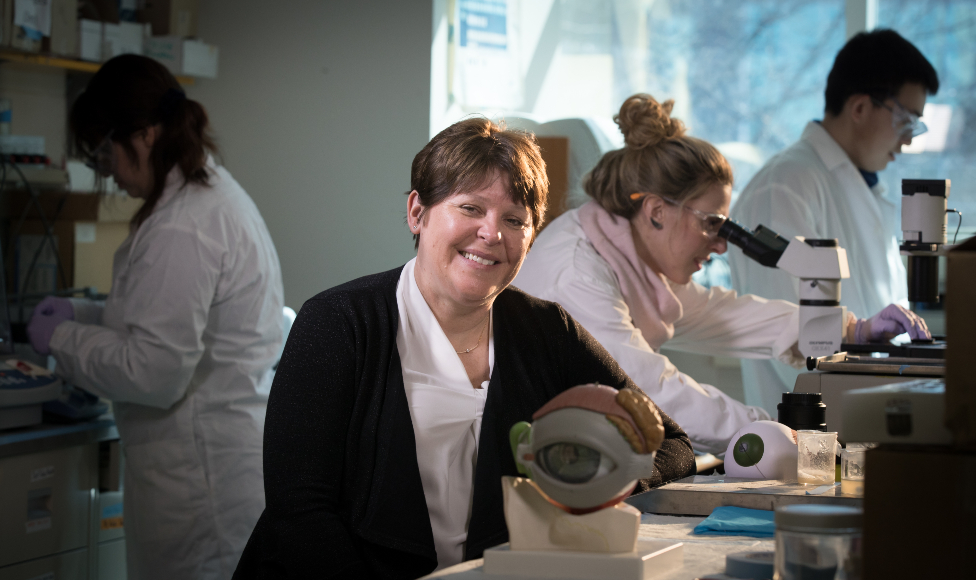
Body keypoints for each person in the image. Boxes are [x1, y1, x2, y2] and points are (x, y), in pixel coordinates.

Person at [233, 118, 695, 579]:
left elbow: (673, 446)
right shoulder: (338, 323)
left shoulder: (545, 329)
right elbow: (300, 511)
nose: (492, 233)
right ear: (417, 212)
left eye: (515, 219)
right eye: (471, 208)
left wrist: (599, 478)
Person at [513, 94, 929, 454]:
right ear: (657, 211)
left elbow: (722, 315)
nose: (721, 244)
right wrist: (770, 429)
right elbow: (647, 391)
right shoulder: (577, 273)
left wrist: (851, 329)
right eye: (713, 224)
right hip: (537, 458)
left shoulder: (624, 257)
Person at [26, 55, 285, 580]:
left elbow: (154, 371)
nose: (109, 176)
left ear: (143, 135)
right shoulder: (207, 198)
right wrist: (84, 312)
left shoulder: (181, 228)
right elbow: (161, 319)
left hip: (198, 484)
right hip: (210, 470)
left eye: (104, 156)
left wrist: (65, 339)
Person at [728, 29, 939, 412]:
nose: (908, 142)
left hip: (862, 416)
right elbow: (792, 343)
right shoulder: (784, 186)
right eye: (907, 121)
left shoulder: (864, 188)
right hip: (808, 429)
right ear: (860, 108)